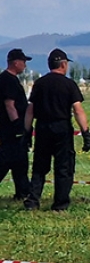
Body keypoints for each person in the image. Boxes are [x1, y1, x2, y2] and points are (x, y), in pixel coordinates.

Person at [24, 48, 90, 211]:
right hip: (62, 128)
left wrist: (27, 132)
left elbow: (30, 110)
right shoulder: (69, 84)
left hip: (43, 127)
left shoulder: (39, 84)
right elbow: (78, 110)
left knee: (40, 166)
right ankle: (60, 204)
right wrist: (86, 133)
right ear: (63, 64)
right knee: (64, 167)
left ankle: (33, 201)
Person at [0, 49, 32, 202]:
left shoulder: (6, 79)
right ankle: (23, 192)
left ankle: (23, 192)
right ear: (16, 62)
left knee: (19, 163)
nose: (25, 65)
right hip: (11, 131)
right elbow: (9, 105)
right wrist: (18, 126)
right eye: (24, 62)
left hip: (8, 130)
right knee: (7, 161)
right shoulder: (8, 80)